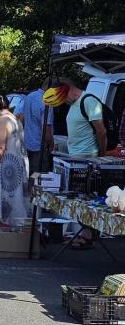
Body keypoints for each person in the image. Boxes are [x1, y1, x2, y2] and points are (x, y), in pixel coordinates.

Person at [61, 76, 106, 248]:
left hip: (88, 158)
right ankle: (85, 233)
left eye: (62, 96)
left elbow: (101, 132)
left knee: (86, 200)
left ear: (69, 90)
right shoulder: (74, 104)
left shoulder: (88, 101)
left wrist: (100, 157)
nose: (62, 101)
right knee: (79, 201)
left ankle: (88, 235)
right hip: (76, 159)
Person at [0, 94, 29, 228]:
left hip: (3, 169)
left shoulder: (1, 121)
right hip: (17, 169)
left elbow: (0, 149)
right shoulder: (16, 120)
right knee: (15, 202)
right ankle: (14, 234)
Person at [18, 79, 54, 175]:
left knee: (28, 174)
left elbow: (21, 118)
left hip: (27, 143)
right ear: (51, 88)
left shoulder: (29, 97)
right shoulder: (47, 101)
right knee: (39, 177)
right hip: (40, 147)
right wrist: (50, 143)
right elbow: (46, 128)